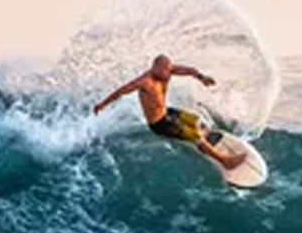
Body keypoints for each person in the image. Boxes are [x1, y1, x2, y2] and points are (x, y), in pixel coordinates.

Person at [93, 53, 246, 171]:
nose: (169, 72)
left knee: (195, 120)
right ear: (155, 67)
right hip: (159, 123)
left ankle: (206, 141)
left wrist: (202, 78)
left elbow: (188, 70)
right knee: (195, 135)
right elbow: (121, 91)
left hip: (168, 112)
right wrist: (102, 104)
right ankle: (225, 161)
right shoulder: (144, 82)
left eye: (169, 69)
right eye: (166, 70)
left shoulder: (167, 71)